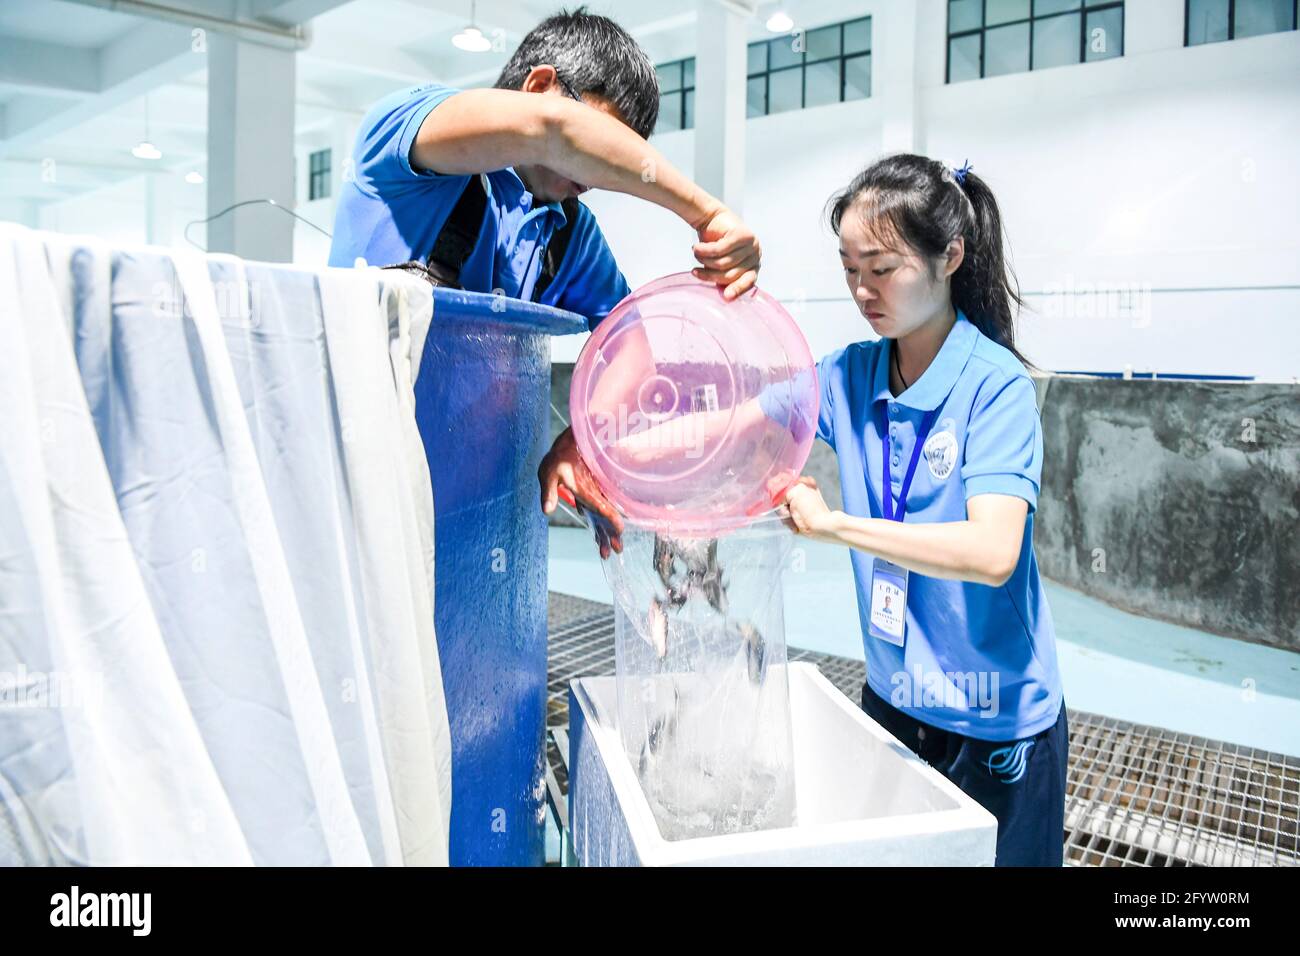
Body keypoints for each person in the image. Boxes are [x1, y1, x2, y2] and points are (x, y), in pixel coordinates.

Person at [328, 8, 762, 557]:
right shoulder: (409, 133)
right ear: (539, 86)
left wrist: (585, 439)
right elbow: (555, 131)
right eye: (608, 150)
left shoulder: (568, 232)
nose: (603, 176)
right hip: (356, 503)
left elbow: (630, 342)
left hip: (478, 522)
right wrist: (707, 214)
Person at [778, 154, 1069, 867]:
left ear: (951, 257)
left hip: (997, 727)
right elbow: (744, 419)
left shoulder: (994, 387)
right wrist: (612, 436)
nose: (861, 290)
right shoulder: (849, 373)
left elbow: (993, 553)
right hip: (895, 702)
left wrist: (834, 525)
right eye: (849, 268)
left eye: (882, 268)